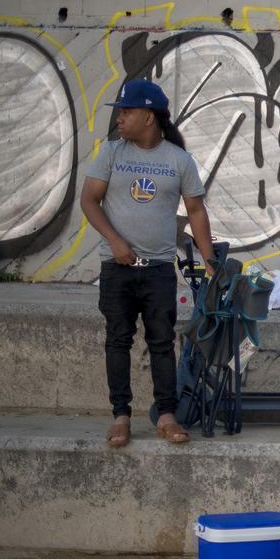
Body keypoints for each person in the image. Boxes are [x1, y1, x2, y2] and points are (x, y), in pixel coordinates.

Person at [79, 79, 215, 448]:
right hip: (116, 267)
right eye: (120, 112)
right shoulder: (111, 153)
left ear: (150, 117)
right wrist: (115, 241)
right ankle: (120, 416)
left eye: (127, 111)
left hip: (157, 269)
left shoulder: (178, 160)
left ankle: (167, 415)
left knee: (161, 341)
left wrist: (210, 261)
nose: (120, 118)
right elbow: (89, 201)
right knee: (117, 340)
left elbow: (196, 211)